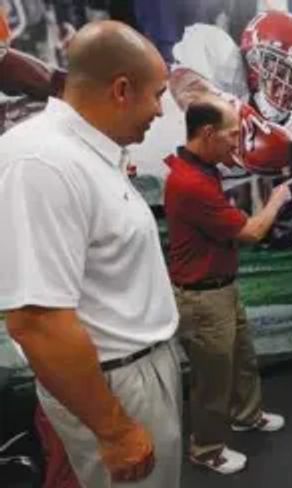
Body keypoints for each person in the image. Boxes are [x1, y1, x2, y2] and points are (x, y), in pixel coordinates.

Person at [0, 20, 183, 487]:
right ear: (122, 90)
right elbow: (36, 321)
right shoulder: (42, 161)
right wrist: (115, 428)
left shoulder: (85, 153)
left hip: (135, 372)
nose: (161, 112)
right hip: (114, 385)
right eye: (157, 95)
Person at [164, 95, 292, 475]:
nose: (237, 144)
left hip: (221, 287)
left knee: (243, 360)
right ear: (207, 133)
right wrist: (277, 199)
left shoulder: (203, 168)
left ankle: (247, 416)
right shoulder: (191, 183)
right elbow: (251, 231)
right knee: (212, 381)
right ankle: (205, 450)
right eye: (232, 136)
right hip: (203, 298)